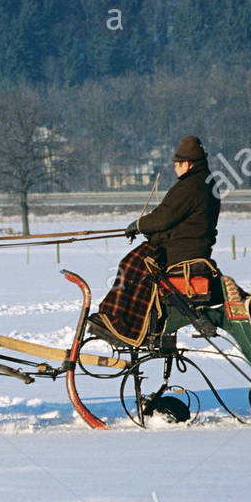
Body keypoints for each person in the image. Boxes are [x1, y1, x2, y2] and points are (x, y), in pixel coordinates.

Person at [89, 135, 221, 345]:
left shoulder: (190, 186)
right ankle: (121, 319)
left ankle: (120, 323)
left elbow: (164, 217)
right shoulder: (204, 182)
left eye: (178, 164)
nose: (175, 168)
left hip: (181, 252)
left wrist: (139, 225)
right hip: (187, 247)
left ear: (189, 164)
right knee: (134, 263)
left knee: (131, 264)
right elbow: (175, 220)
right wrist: (149, 230)